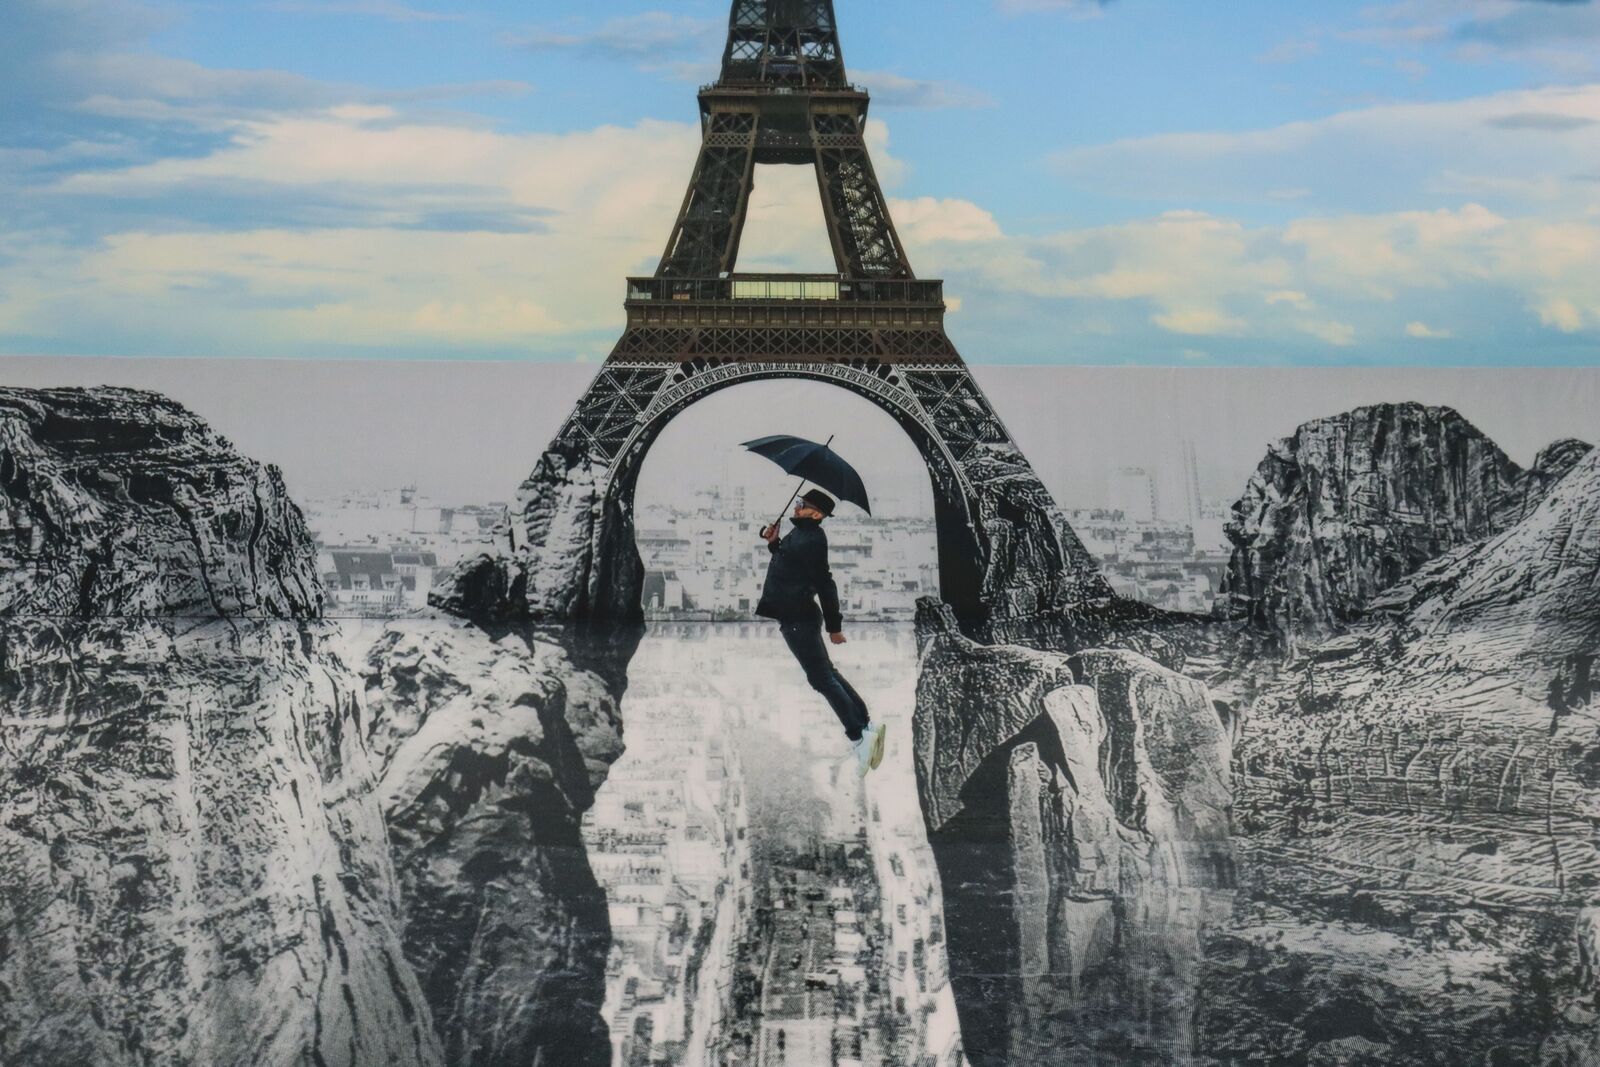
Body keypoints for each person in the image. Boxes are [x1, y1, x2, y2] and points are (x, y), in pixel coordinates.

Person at [757, 488, 886, 777]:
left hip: (797, 618)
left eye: (803, 505)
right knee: (827, 673)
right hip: (796, 614)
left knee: (821, 679)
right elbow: (789, 563)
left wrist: (834, 626)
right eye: (798, 502)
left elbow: (825, 583)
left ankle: (859, 739)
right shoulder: (803, 534)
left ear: (817, 514)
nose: (797, 506)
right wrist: (774, 542)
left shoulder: (812, 539)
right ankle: (866, 724)